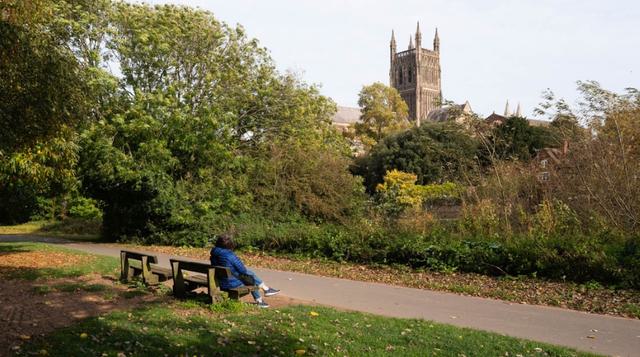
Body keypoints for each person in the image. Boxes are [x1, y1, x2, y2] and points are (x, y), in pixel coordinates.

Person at [210, 234, 280, 308]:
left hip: (219, 281)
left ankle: (266, 289)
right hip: (230, 284)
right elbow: (243, 270)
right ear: (229, 245)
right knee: (250, 279)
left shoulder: (214, 253)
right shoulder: (230, 255)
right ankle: (261, 299)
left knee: (249, 275)